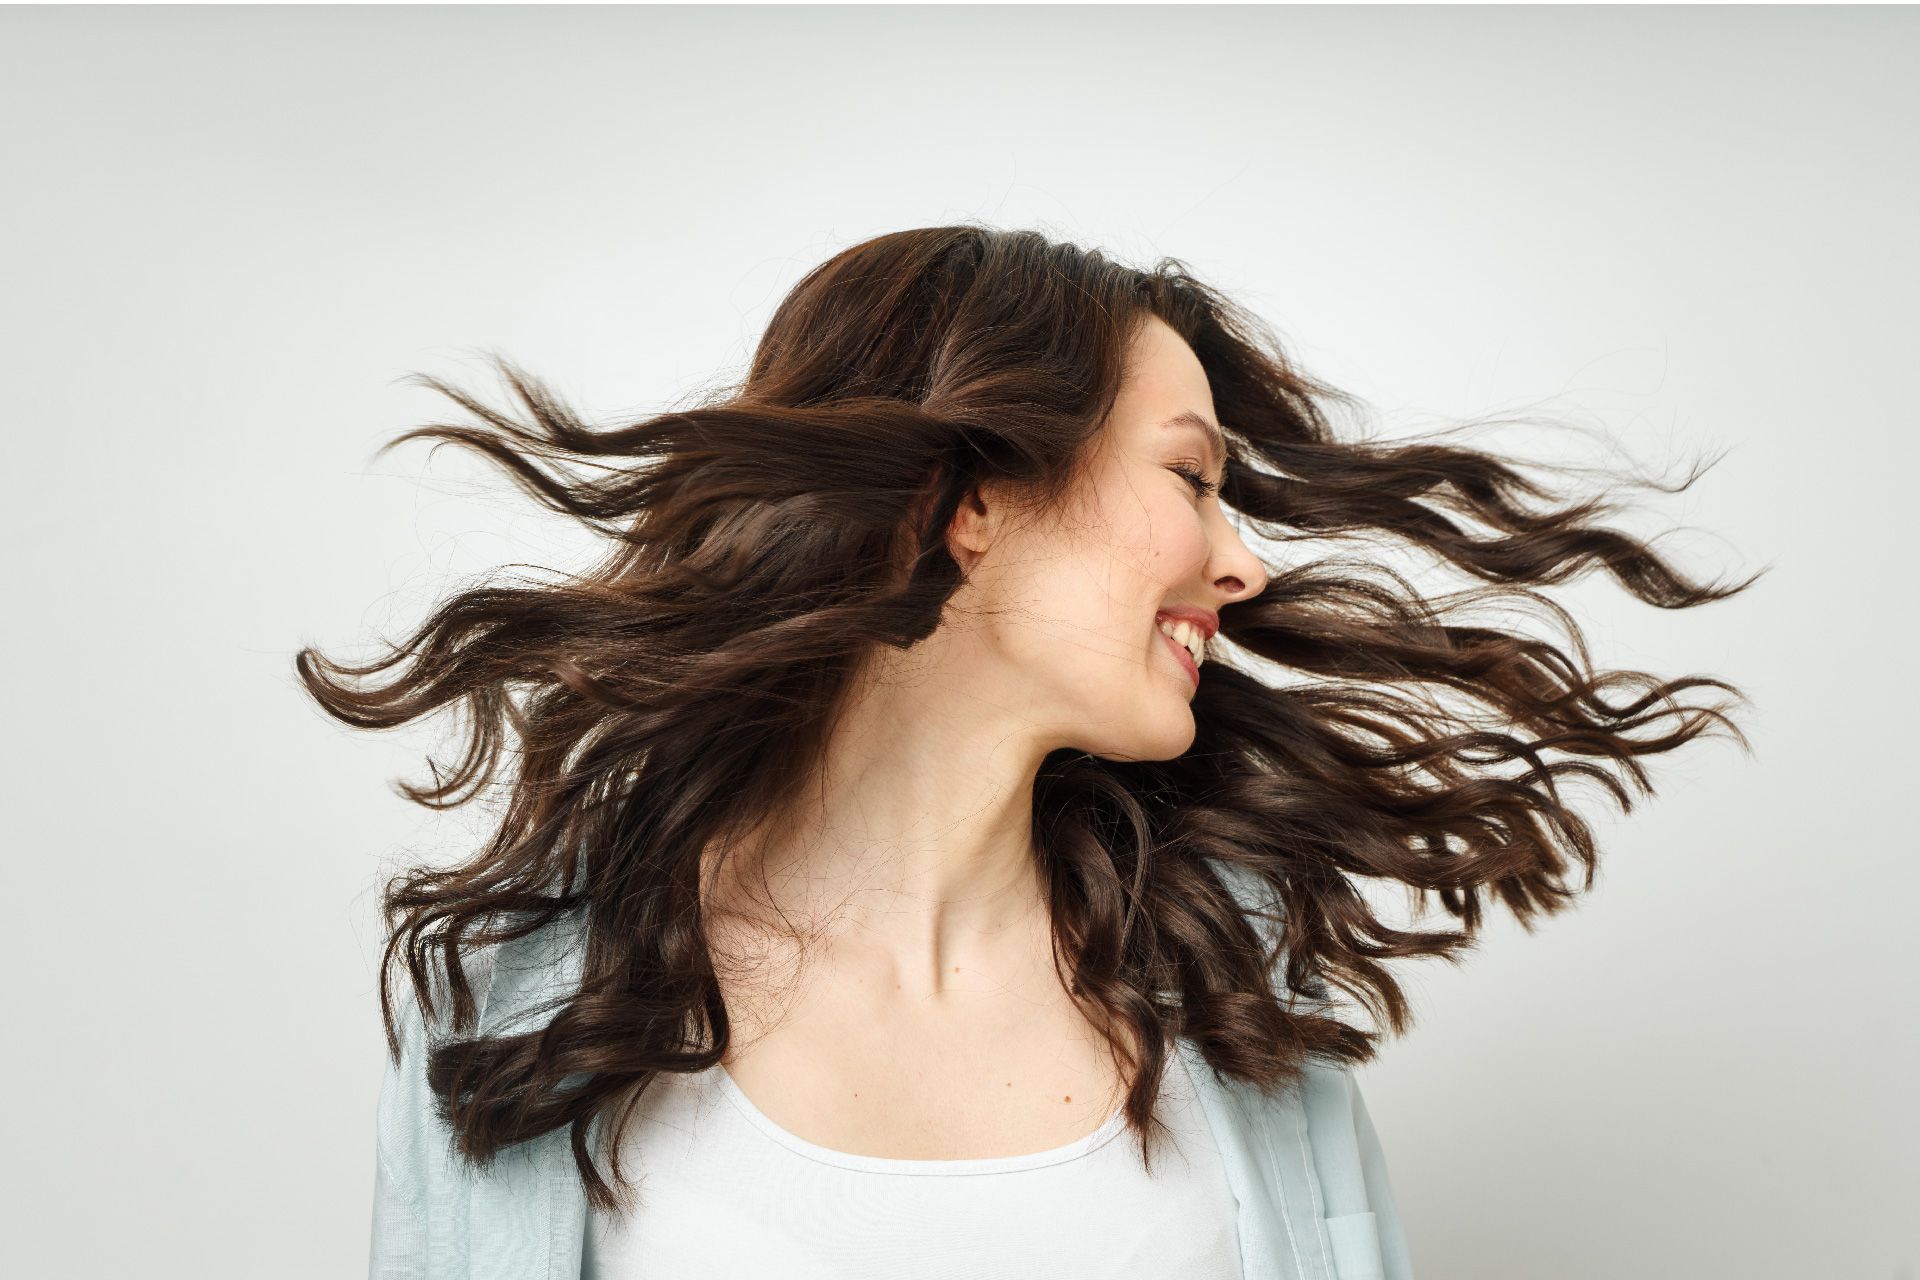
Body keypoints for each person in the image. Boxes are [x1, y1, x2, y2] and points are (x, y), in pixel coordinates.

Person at [299, 224, 1756, 1280]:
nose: (1240, 563)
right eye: (1191, 477)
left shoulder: (1233, 999)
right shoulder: (535, 1008)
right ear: (973, 504)